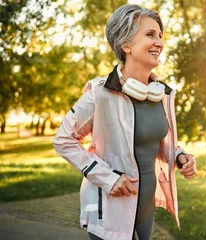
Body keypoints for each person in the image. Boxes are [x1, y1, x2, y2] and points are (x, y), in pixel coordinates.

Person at [53, 4, 196, 240]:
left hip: (146, 208)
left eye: (160, 35)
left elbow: (155, 142)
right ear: (126, 44)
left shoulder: (162, 95)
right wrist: (108, 178)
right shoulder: (99, 93)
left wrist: (180, 156)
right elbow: (63, 140)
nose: (159, 42)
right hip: (111, 209)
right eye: (150, 35)